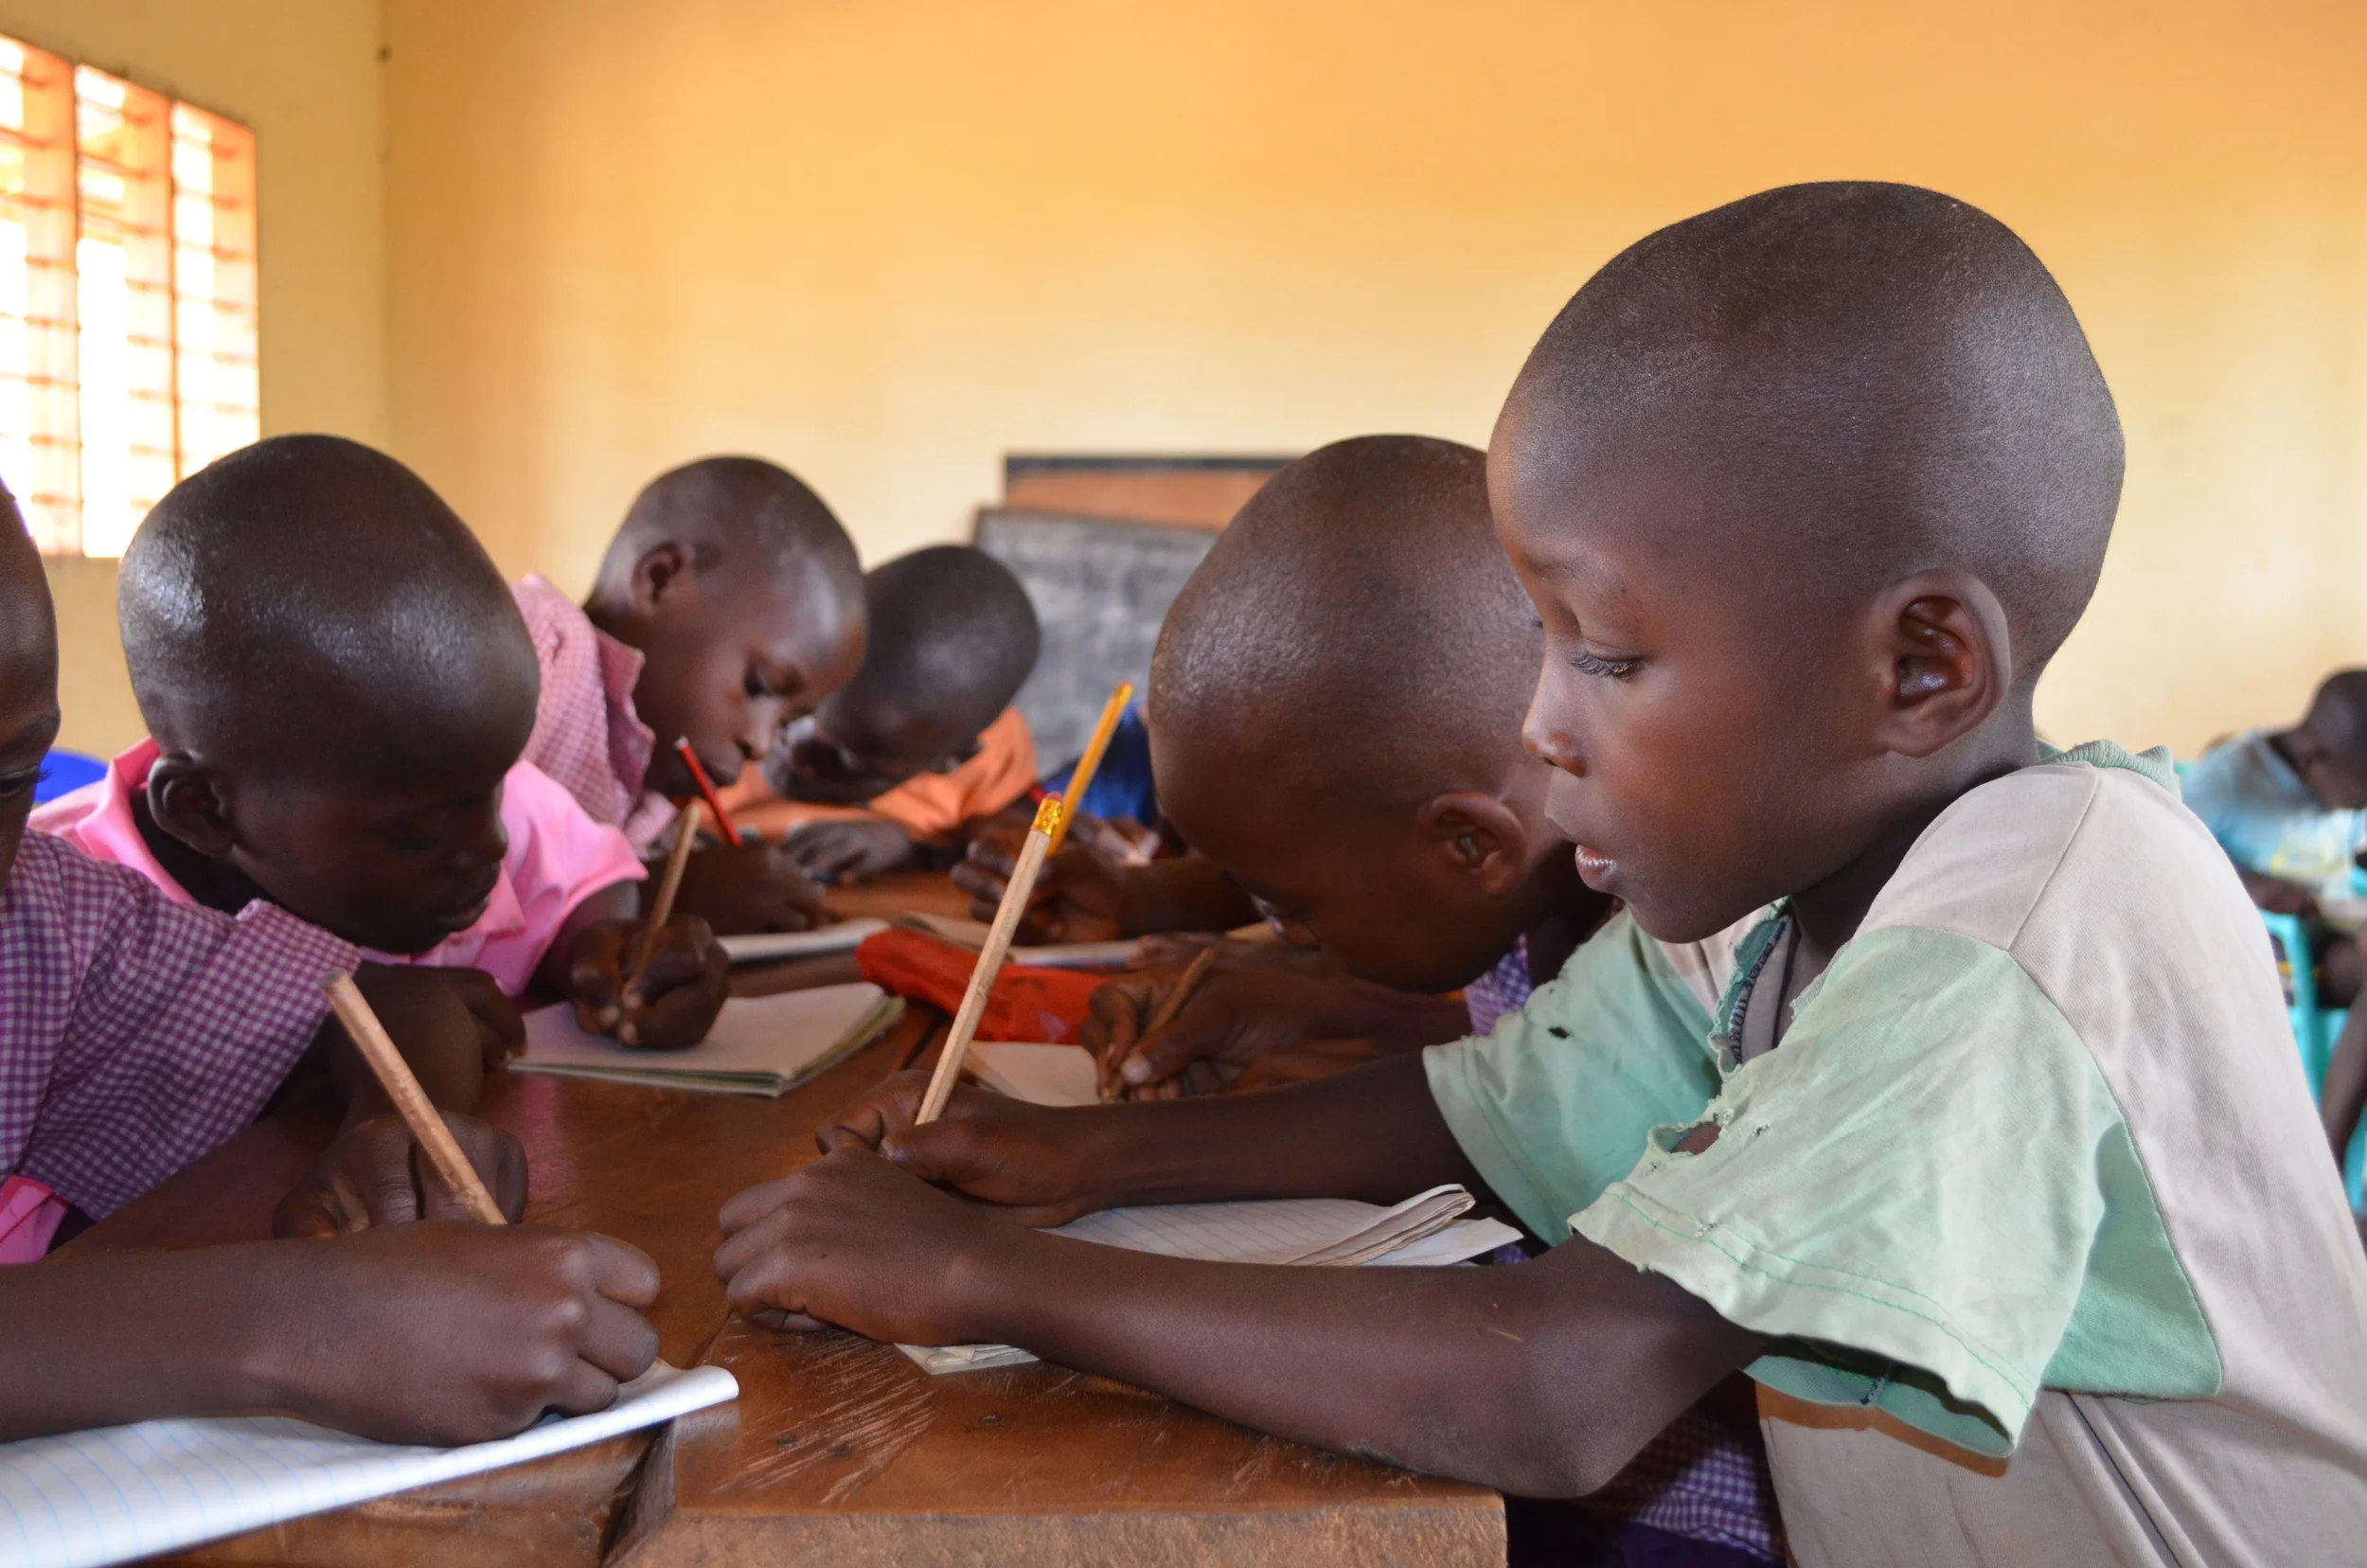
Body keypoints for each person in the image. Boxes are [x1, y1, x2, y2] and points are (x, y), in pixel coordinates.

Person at [711, 184, 2367, 1563]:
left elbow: (1564, 1389)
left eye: (1607, 655)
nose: (1538, 721)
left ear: (1918, 670)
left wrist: (982, 1276)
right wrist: (1076, 1155)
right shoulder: (1784, 899)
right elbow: (1486, 1107)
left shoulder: (2020, 920)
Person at [0, 487, 662, 1443]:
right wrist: (295, 1323)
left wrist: (397, 1129)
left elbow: (381, 1001)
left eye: (9, 773)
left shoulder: (42, 921)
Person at [35, 436, 724, 1051]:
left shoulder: (451, 788)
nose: (491, 844)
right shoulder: (59, 931)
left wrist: (606, 953)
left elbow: (587, 882)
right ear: (205, 811)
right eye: (415, 834)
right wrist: (323, 1035)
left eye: (495, 784)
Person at [1072, 435, 1615, 1097]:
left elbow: (1577, 1107)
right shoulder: (1533, 867)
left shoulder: (1674, 947)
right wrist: (1361, 1022)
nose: (1288, 939)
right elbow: (1544, 1056)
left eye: (1291, 909)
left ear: (1472, 845)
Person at [514, 454, 866, 932]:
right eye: (758, 687)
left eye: (786, 724)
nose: (760, 745)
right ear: (658, 580)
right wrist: (668, 893)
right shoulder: (531, 646)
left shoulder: (651, 791)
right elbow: (432, 878)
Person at [720, 544, 1041, 883]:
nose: (789, 751)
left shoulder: (992, 744)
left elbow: (1023, 843)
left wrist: (911, 850)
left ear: (950, 760)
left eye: (847, 760)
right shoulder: (725, 691)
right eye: (795, 707)